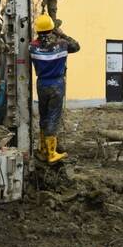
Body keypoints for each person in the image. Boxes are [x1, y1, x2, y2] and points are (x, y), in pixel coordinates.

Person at [29, 14, 80, 164]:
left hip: (42, 84)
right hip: (56, 84)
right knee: (53, 118)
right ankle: (52, 154)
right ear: (52, 28)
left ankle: (43, 149)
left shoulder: (32, 46)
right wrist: (60, 32)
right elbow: (76, 46)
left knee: (43, 116)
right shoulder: (62, 44)